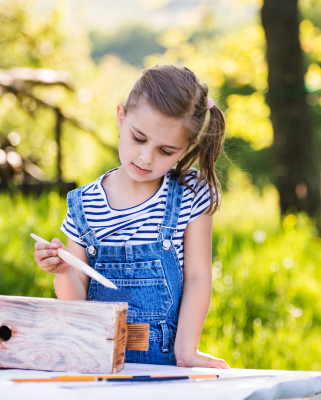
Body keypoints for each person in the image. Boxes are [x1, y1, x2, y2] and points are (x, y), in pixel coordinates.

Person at [33, 65, 229, 369]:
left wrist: (187, 351)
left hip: (163, 367)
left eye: (166, 150)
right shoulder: (84, 204)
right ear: (121, 117)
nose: (145, 158)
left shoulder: (191, 195)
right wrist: (62, 271)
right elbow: (75, 303)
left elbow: (198, 276)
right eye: (139, 138)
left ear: (186, 148)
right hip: (95, 364)